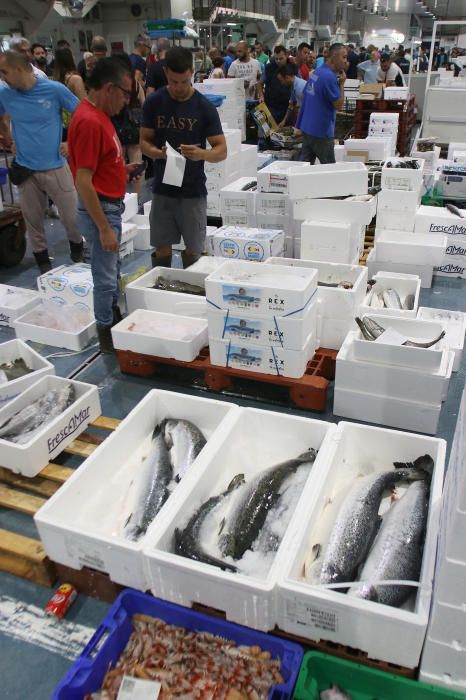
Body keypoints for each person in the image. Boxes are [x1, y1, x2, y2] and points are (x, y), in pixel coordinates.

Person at [68, 57, 141, 353]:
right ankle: (105, 334)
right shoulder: (88, 121)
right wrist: (103, 228)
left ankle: (112, 319)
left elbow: (97, 168)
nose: (126, 101)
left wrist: (121, 170)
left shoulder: (100, 117)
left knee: (112, 270)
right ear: (109, 88)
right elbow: (83, 181)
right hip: (101, 210)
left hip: (110, 206)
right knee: (105, 275)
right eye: (124, 94)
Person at [140, 47, 227, 270]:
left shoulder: (204, 108)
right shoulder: (154, 102)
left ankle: (192, 294)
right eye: (173, 81)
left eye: (184, 81)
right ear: (166, 72)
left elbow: (221, 150)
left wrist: (201, 154)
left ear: (192, 73)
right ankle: (161, 288)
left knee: (193, 250)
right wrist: (157, 153)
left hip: (192, 191)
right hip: (162, 189)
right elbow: (144, 142)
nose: (179, 87)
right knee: (161, 247)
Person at [0, 50, 84, 272]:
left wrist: (71, 143)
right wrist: (7, 136)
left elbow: (83, 115)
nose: (2, 77)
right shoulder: (4, 92)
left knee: (71, 218)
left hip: (55, 166)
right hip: (25, 169)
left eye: (4, 72)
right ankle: (44, 268)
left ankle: (78, 250)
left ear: (19, 70)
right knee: (33, 223)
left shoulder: (53, 89)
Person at [296, 43, 346, 165]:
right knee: (329, 169)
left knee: (304, 168)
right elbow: (338, 105)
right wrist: (342, 84)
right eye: (343, 57)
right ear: (334, 57)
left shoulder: (317, 73)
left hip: (307, 128)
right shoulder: (329, 77)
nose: (345, 61)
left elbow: (304, 95)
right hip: (321, 131)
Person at [111, 52, 145, 194]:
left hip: (116, 127)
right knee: (136, 164)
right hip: (134, 127)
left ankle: (122, 196)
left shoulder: (113, 85)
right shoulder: (135, 84)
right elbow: (144, 104)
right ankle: (137, 200)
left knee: (119, 163)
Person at [260, 45, 298, 126]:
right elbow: (259, 83)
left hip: (287, 107)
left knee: (287, 133)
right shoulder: (269, 67)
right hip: (270, 106)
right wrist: (261, 96)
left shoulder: (294, 68)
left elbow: (298, 83)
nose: (278, 61)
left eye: (281, 58)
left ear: (286, 55)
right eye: (276, 58)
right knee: (266, 133)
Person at [276, 63, 307, 128]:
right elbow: (291, 104)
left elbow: (308, 109)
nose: (281, 83)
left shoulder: (300, 87)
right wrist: (283, 121)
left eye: (281, 80)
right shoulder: (293, 86)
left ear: (287, 77)